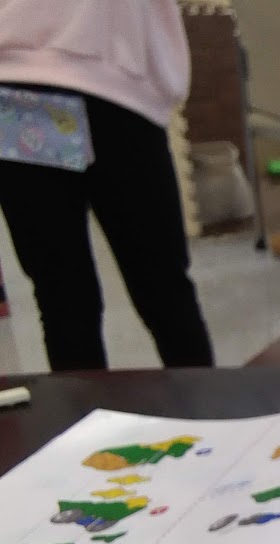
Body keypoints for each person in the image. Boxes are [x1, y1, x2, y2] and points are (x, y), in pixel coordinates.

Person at [0, 1, 214, 371]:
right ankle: (206, 404)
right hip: (111, 81)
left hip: (27, 77)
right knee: (162, 289)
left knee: (66, 297)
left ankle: (89, 411)